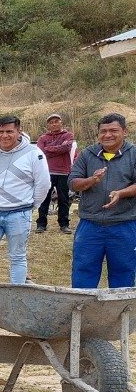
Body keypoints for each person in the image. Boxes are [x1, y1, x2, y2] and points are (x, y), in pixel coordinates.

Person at [0, 116, 50, 286]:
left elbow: (43, 184)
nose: (5, 136)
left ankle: (17, 296)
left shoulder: (34, 154)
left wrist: (30, 206)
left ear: (18, 132)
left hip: (19, 214)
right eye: (1, 132)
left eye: (9, 131)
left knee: (17, 257)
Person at [69, 113, 136, 289]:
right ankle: (83, 312)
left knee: (123, 272)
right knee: (83, 270)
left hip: (124, 225)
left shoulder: (133, 154)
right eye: (103, 131)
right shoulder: (87, 154)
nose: (107, 135)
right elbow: (73, 183)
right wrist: (91, 180)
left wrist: (121, 193)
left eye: (113, 130)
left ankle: (120, 314)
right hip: (90, 225)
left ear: (125, 132)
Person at [36, 113, 74, 234]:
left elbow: (67, 148)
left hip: (64, 172)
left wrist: (49, 149)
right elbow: (40, 152)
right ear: (48, 125)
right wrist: (58, 148)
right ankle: (41, 224)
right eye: (51, 122)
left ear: (61, 122)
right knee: (44, 198)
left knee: (64, 199)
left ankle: (64, 224)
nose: (54, 124)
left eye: (56, 121)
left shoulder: (68, 135)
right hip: (46, 172)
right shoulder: (43, 138)